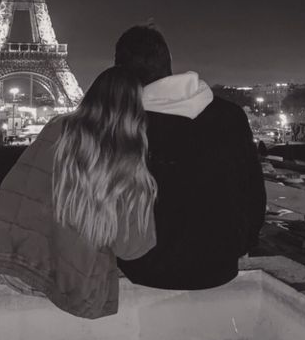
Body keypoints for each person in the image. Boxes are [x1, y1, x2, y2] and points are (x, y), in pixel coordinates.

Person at [0, 67, 158, 319]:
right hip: (71, 282)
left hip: (15, 265)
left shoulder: (57, 129)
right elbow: (131, 248)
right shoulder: (126, 158)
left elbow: (18, 192)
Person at [114, 24, 267, 291]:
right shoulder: (230, 115)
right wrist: (243, 243)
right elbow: (254, 191)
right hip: (220, 265)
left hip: (147, 268)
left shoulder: (124, 123)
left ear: (120, 72)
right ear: (169, 64)